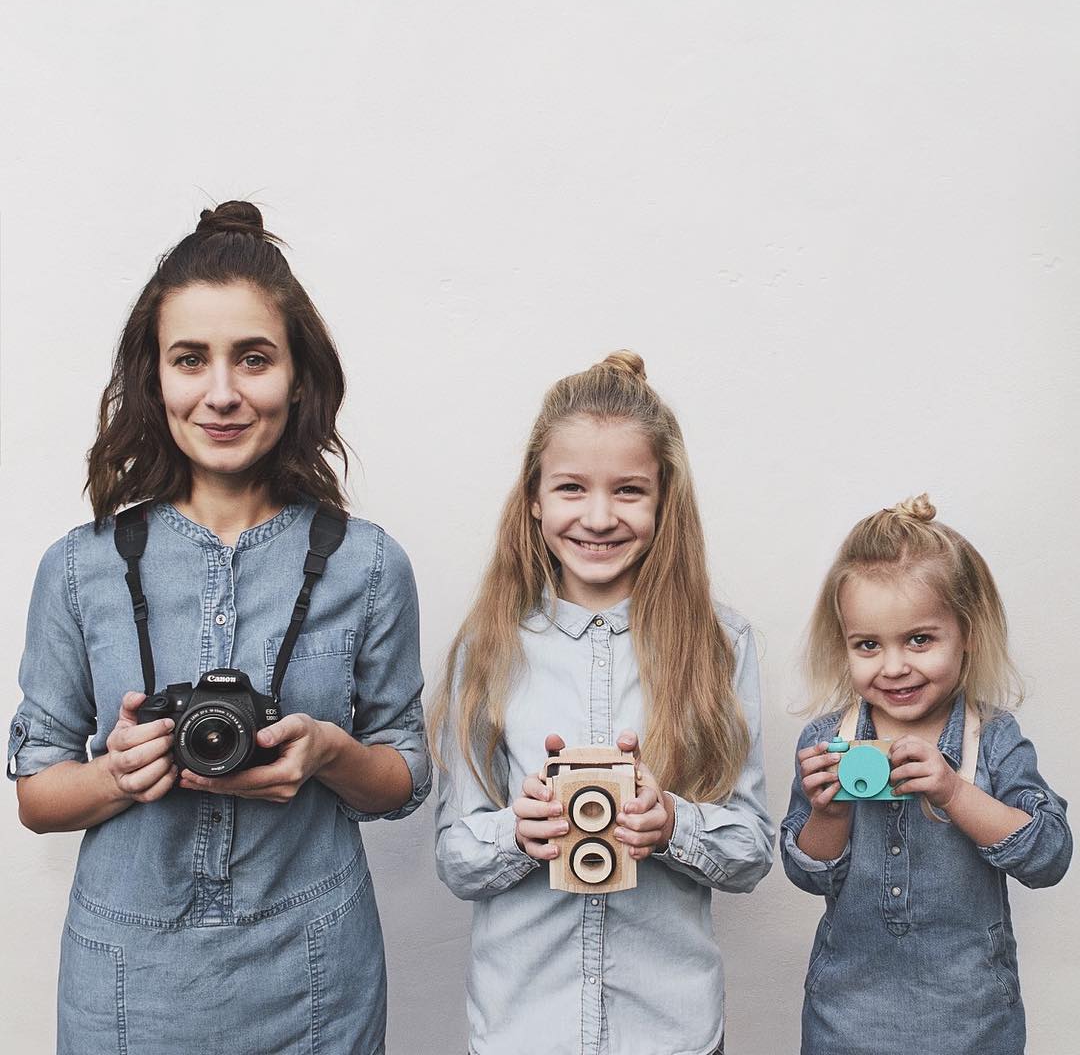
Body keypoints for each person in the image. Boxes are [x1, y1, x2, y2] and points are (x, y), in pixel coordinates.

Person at [7, 201, 430, 1055]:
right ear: (155, 376)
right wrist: (121, 774)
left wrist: (328, 753)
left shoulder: (368, 565)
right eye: (191, 360)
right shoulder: (81, 568)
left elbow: (405, 776)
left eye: (254, 358)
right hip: (126, 979)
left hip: (316, 971)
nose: (223, 393)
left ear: (298, 376)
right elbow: (35, 795)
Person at [430, 351, 773, 1055]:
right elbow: (457, 857)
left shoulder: (720, 644)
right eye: (571, 488)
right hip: (523, 1030)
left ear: (663, 499)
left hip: (668, 1031)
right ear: (534, 496)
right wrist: (519, 832)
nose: (597, 516)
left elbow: (751, 850)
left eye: (628, 491)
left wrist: (670, 822)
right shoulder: (488, 646)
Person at [781, 494, 1072, 1055]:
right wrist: (828, 813)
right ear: (843, 645)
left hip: (976, 1024)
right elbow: (809, 876)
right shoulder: (827, 741)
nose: (893, 666)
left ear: (967, 632)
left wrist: (953, 790)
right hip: (845, 1023)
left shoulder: (992, 738)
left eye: (920, 639)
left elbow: (1050, 857)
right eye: (868, 645)